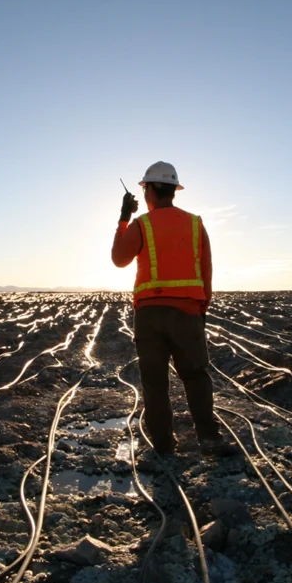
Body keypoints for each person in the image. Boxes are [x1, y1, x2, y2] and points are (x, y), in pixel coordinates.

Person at [111, 161, 236, 458]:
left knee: (155, 384)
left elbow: (119, 259)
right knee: (195, 376)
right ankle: (209, 438)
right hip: (188, 312)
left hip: (149, 316)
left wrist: (124, 217)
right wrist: (202, 305)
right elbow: (206, 268)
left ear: (151, 189)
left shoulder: (142, 223)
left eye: (144, 188)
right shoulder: (195, 223)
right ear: (173, 190)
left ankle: (164, 446)